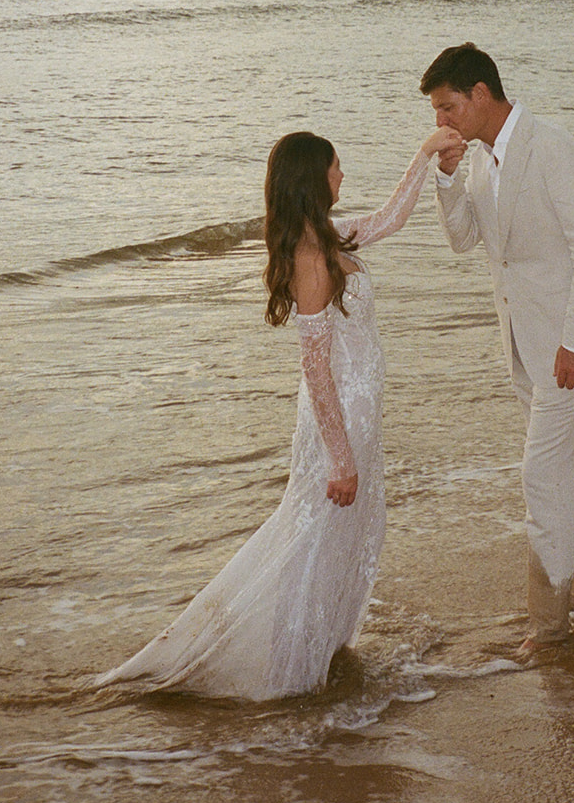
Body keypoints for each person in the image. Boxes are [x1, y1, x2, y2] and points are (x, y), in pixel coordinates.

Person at [96, 123, 462, 702]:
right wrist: (340, 459)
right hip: (336, 422)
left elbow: (390, 218)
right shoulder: (311, 257)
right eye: (336, 167)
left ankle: (320, 647)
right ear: (314, 179)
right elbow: (316, 370)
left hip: (360, 417)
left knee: (338, 536)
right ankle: (286, 671)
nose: (343, 175)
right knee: (309, 539)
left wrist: (425, 155)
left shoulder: (330, 236)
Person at [420, 43, 574, 658]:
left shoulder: (553, 148)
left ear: (481, 94)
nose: (440, 123)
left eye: (447, 107)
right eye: (436, 112)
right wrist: (448, 175)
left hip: (570, 347)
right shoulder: (480, 161)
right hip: (523, 344)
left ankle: (550, 625)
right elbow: (463, 241)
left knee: (541, 475)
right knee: (573, 472)